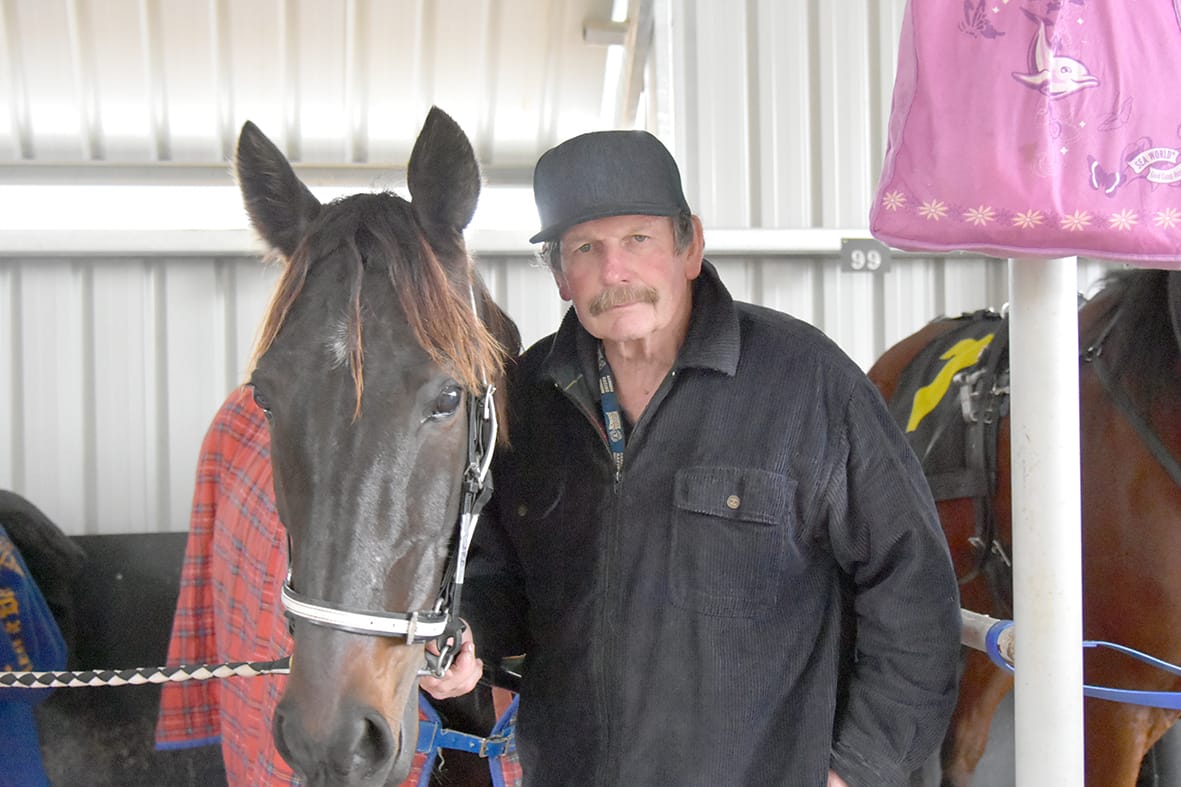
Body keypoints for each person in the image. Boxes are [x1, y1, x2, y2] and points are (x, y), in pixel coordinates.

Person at [421, 129, 962, 785]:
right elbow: (494, 574)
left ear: (690, 246)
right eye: (586, 248)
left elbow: (914, 591)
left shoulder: (807, 384)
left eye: (637, 239)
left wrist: (855, 768)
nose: (614, 272)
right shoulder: (527, 401)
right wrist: (468, 634)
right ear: (561, 276)